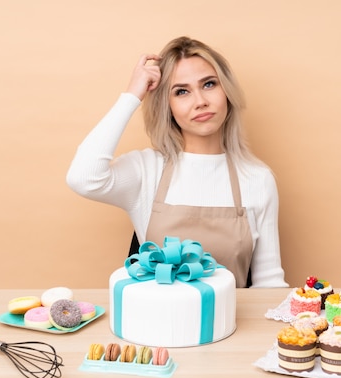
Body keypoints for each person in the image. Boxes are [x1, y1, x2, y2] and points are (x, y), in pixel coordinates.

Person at [67, 36, 288, 288]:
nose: (200, 101)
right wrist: (132, 95)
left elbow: (269, 282)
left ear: (226, 91)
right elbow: (82, 178)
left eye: (209, 84)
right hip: (152, 325)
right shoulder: (146, 170)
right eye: (181, 91)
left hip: (229, 326)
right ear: (167, 105)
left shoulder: (257, 178)